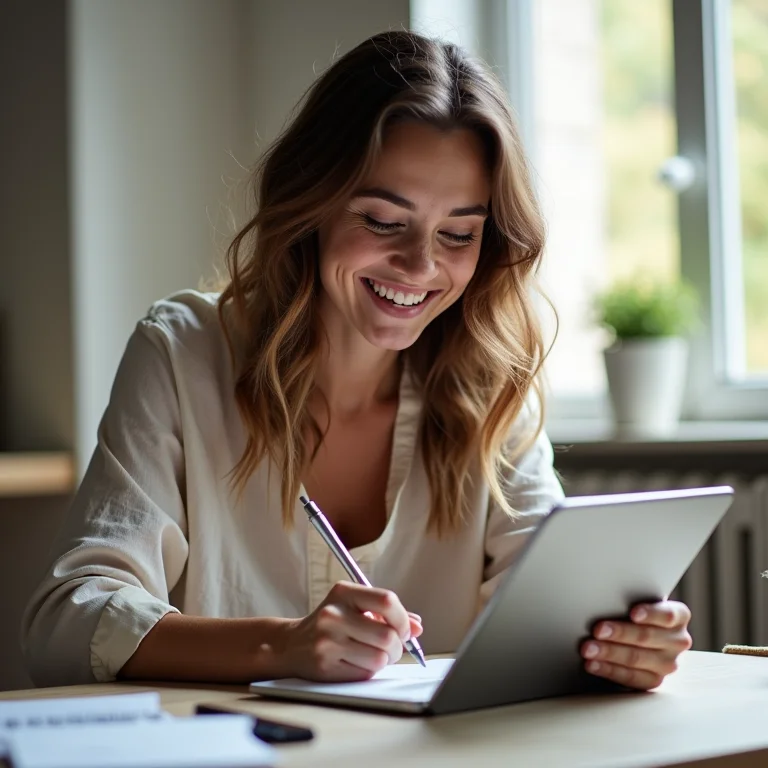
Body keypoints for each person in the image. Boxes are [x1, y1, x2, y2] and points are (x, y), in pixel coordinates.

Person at [21, 31, 692, 690]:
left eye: (458, 233)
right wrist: (279, 645)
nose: (421, 265)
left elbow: (550, 602)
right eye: (382, 221)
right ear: (311, 204)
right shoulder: (183, 351)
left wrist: (619, 642)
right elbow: (64, 625)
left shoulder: (489, 382)